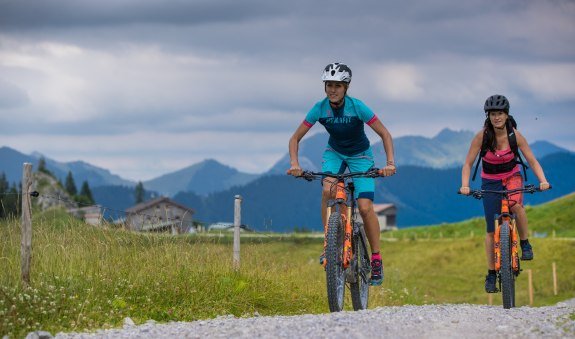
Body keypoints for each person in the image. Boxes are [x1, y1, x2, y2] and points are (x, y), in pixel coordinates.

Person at [287, 62, 396, 286]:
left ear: (346, 87)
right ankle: (331, 243)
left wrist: (390, 163)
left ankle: (375, 257)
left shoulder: (358, 107)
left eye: (337, 85)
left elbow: (385, 134)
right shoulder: (319, 108)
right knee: (328, 190)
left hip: (361, 156)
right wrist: (295, 163)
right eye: (329, 85)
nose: (332, 90)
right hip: (334, 153)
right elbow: (294, 138)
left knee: (365, 207)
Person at [459, 94, 550, 293]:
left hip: (512, 176)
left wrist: (543, 181)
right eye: (493, 114)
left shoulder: (514, 135)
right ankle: (491, 274)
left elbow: (532, 161)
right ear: (488, 116)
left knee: (516, 205)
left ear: (507, 115)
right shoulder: (482, 136)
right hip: (489, 180)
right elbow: (467, 164)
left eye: (500, 113)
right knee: (491, 230)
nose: (496, 117)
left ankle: (525, 243)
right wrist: (465, 185)